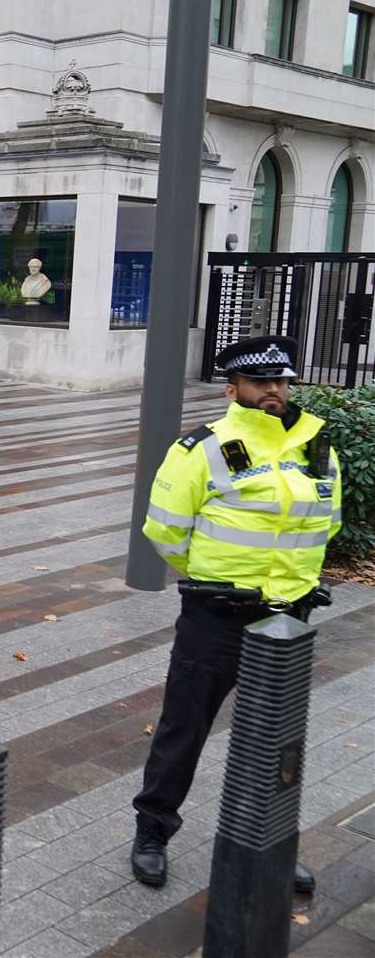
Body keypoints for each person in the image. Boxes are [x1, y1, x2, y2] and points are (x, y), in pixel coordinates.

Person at [131, 335, 338, 897]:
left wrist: (293, 585)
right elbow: (164, 530)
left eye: (281, 381)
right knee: (184, 727)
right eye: (260, 381)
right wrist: (213, 580)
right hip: (217, 617)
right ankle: (152, 831)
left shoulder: (318, 448)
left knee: (276, 739)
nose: (274, 390)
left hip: (287, 621)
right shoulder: (202, 448)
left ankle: (270, 842)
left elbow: (327, 524)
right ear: (233, 388)